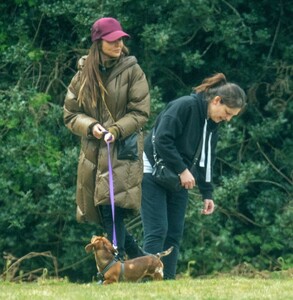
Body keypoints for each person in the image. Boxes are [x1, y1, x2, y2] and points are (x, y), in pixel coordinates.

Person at [141, 73, 246, 279]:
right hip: (152, 172)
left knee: (174, 233)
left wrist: (208, 193)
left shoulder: (212, 123)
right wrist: (182, 169)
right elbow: (162, 140)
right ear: (216, 100)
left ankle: (166, 282)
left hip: (179, 178)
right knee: (158, 230)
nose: (227, 119)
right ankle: (147, 282)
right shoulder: (185, 106)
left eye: (232, 116)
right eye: (227, 112)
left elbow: (207, 158)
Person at [64, 17, 150, 260]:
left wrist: (116, 129)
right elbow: (70, 114)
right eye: (112, 40)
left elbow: (140, 113)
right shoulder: (83, 73)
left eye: (121, 39)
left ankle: (116, 264)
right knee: (105, 212)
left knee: (115, 209)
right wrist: (91, 126)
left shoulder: (133, 70)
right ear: (98, 42)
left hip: (123, 148)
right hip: (92, 152)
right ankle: (142, 263)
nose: (118, 44)